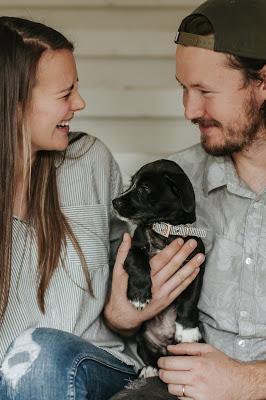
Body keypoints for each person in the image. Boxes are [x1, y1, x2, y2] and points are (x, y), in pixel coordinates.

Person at [0, 16, 205, 400]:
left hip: (98, 367)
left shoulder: (90, 161)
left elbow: (130, 277)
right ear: (14, 103)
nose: (80, 103)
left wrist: (124, 315)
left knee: (44, 357)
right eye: (65, 94)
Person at [156, 0, 266, 398]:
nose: (189, 109)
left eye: (204, 91)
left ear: (262, 83)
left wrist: (247, 382)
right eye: (183, 89)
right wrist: (118, 312)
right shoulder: (170, 182)